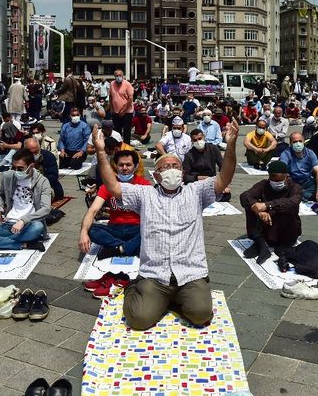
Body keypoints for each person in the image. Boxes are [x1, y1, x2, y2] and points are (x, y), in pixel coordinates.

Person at [92, 119, 239, 330]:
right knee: (138, 320)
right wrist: (100, 153)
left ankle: (174, 301)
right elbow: (114, 186)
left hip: (189, 273)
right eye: (166, 167)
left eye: (176, 166)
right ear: (158, 175)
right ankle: (135, 287)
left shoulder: (195, 191)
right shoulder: (145, 194)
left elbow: (224, 177)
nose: (172, 170)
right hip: (155, 275)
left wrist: (232, 146)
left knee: (201, 315)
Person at [79, 149, 150, 260]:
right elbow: (93, 210)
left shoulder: (144, 185)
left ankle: (118, 249)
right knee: (89, 228)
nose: (125, 168)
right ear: (116, 166)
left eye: (128, 165)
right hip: (115, 228)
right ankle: (129, 247)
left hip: (137, 228)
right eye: (121, 165)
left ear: (135, 167)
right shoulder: (108, 186)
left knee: (151, 229)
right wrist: (83, 233)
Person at [0, 150, 50, 251]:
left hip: (29, 224)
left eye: (20, 168)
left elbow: (46, 209)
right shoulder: (8, 176)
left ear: (31, 166)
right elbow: (0, 194)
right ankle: (24, 244)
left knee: (38, 227)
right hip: (9, 224)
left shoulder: (42, 181)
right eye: (14, 167)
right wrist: (0, 206)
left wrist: (23, 221)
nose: (16, 171)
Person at [279, 131, 318, 202]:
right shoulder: (285, 154)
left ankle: (304, 194)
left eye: (300, 141)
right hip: (293, 182)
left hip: (307, 181)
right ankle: (305, 194)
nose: (298, 144)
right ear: (290, 143)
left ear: (304, 142)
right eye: (295, 142)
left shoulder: (310, 153)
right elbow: (282, 170)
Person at [23, 136, 64, 202]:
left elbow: (53, 176)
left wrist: (37, 180)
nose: (34, 155)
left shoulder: (48, 156)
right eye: (31, 153)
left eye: (36, 152)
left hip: (45, 185)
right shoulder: (21, 158)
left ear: (39, 148)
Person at [110, 70, 135, 143]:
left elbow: (130, 99)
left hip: (127, 112)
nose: (118, 77)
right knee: (117, 131)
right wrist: (111, 108)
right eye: (116, 76)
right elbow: (111, 96)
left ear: (123, 76)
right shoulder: (112, 84)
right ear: (114, 76)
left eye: (120, 75)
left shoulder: (127, 84)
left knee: (126, 131)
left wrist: (123, 110)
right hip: (115, 112)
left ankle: (126, 147)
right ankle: (118, 147)